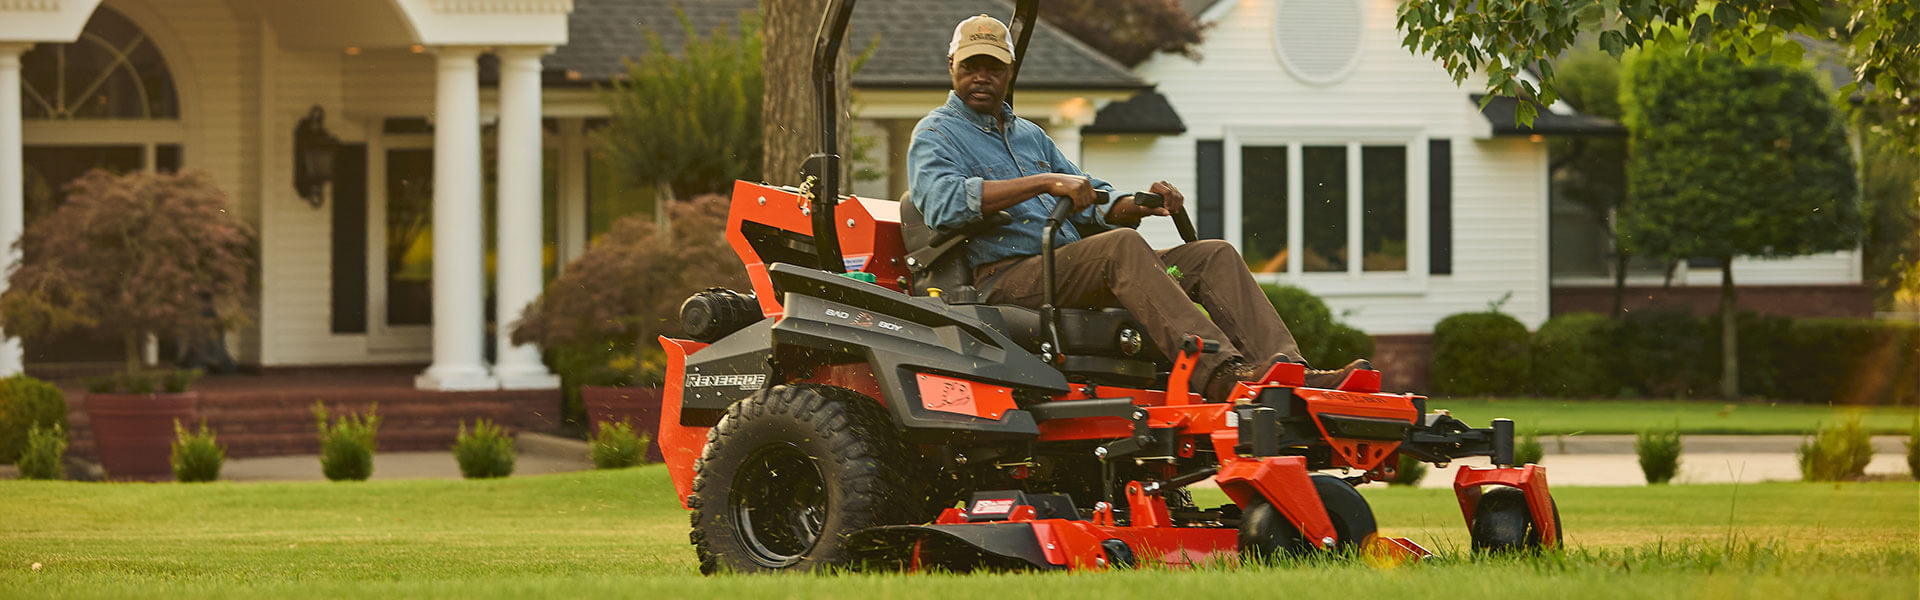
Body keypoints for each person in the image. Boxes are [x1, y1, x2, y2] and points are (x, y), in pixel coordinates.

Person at [907, 14, 1370, 401]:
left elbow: (1092, 203)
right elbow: (943, 205)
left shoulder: (1031, 136)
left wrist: (1138, 202)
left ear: (1010, 72)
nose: (981, 76)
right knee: (1120, 249)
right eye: (971, 66)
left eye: (993, 66)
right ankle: (1223, 374)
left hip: (1070, 271)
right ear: (952, 66)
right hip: (1008, 280)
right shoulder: (936, 135)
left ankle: (1285, 372)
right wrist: (1045, 182)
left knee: (1212, 255)